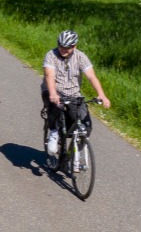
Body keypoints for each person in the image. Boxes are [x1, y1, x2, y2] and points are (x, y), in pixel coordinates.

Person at [42, 30, 110, 158]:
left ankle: (75, 151)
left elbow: (91, 76)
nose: (63, 50)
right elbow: (49, 75)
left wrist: (101, 94)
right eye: (61, 46)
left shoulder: (80, 57)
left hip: (73, 93)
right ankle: (53, 132)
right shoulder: (51, 55)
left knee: (85, 125)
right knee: (55, 107)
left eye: (67, 48)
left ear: (74, 46)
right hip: (53, 90)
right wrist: (53, 93)